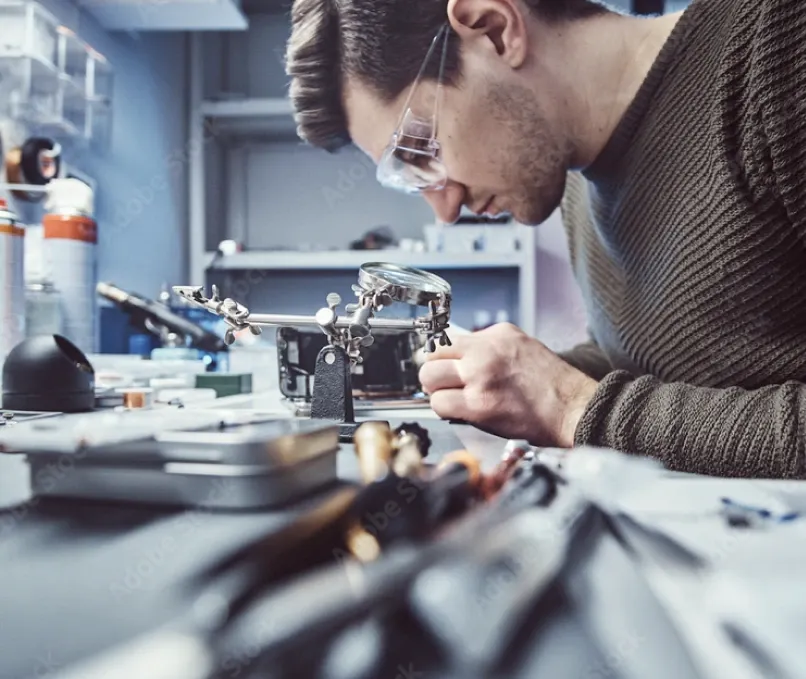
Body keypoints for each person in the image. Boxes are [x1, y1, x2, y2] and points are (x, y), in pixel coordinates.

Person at [285, 0, 806, 478]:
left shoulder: (778, 46)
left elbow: (597, 405)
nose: (444, 211)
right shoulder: (578, 180)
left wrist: (569, 405)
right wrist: (508, 383)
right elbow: (655, 367)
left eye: (419, 151)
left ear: (493, 27)